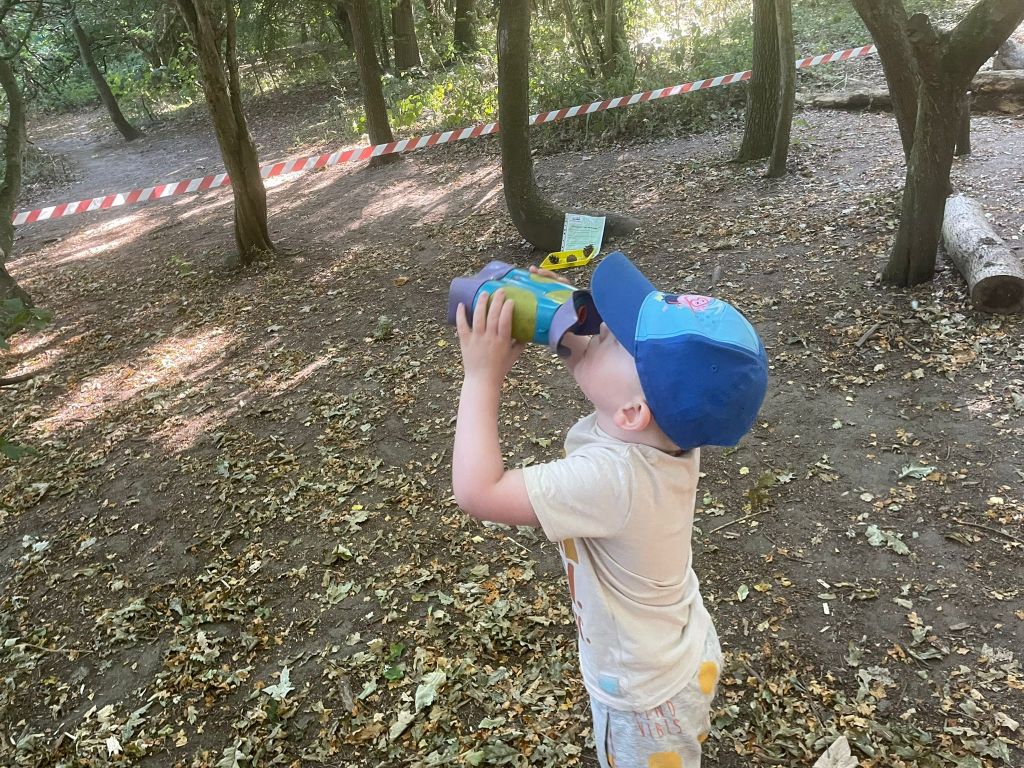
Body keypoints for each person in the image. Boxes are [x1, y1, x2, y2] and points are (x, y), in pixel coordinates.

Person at [451, 251, 768, 768]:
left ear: (632, 412)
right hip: (678, 644)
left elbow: (478, 491)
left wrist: (481, 377)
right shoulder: (670, 433)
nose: (598, 324)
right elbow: (611, 374)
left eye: (612, 334)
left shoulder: (612, 481)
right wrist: (563, 312)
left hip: (648, 702)